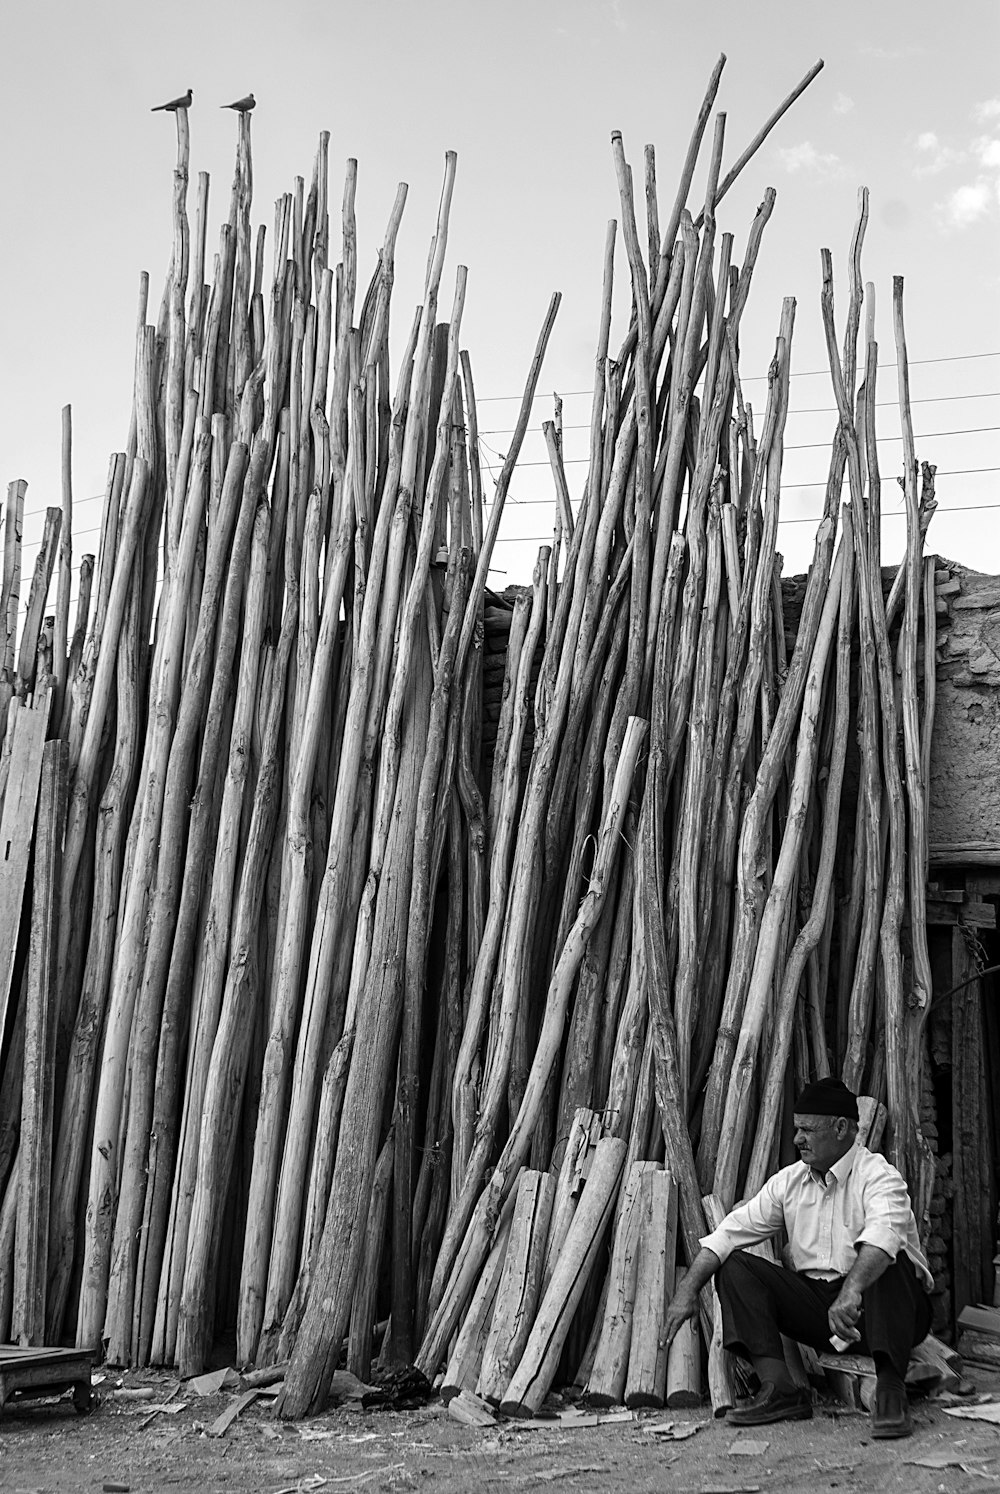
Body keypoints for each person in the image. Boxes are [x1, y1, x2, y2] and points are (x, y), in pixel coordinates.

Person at [663, 1077, 933, 1439]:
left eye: (807, 1129)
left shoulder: (879, 1176)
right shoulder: (788, 1182)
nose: (797, 1139)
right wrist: (687, 1292)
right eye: (796, 1129)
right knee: (736, 1266)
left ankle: (889, 1389)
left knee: (887, 1258)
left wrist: (851, 1292)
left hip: (885, 1311)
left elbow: (883, 1235)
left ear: (841, 1129)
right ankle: (780, 1388)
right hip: (824, 1311)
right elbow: (728, 1234)